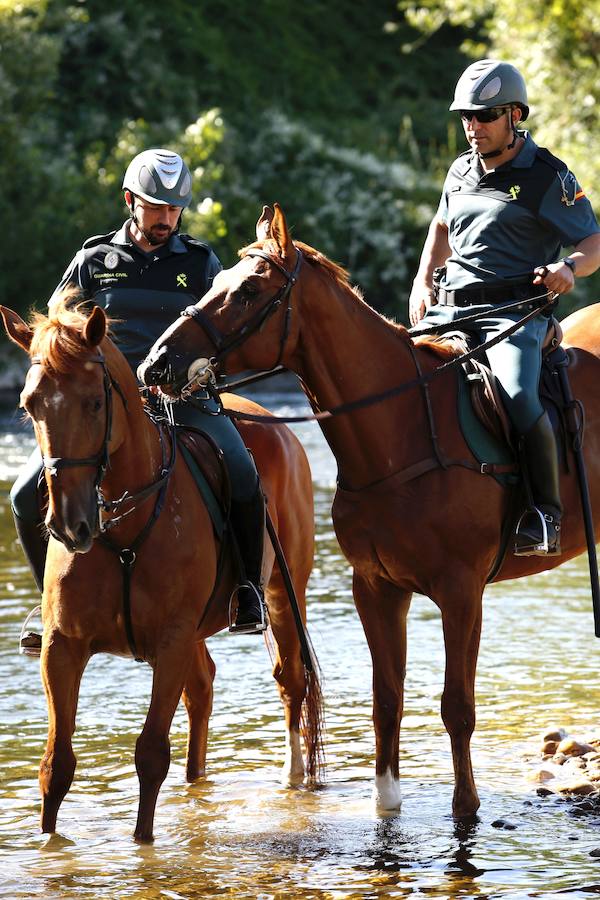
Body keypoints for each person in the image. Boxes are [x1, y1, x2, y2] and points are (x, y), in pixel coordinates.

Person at [13, 149, 268, 653]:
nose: (166, 219)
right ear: (131, 202)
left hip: (184, 400)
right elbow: (55, 334)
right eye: (156, 208)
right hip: (100, 407)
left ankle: (246, 592)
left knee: (243, 472)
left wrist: (203, 370)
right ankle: (48, 601)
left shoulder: (200, 261)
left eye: (174, 210)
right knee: (24, 494)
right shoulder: (93, 261)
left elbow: (223, 334)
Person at [409, 59, 600, 557]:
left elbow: (593, 241)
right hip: (448, 310)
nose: (473, 126)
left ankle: (544, 515)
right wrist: (422, 280)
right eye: (467, 117)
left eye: (485, 115)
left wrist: (569, 269)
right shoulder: (459, 169)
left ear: (515, 114)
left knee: (517, 395)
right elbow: (441, 230)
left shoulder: (547, 175)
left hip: (512, 316)